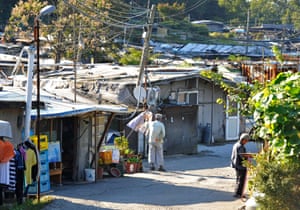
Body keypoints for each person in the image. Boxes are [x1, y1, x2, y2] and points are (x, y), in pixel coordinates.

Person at [230, 133, 250, 198]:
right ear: (243, 140)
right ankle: (238, 194)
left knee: (238, 179)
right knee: (241, 180)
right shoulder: (241, 147)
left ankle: (238, 193)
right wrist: (248, 158)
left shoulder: (236, 144)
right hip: (241, 165)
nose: (246, 142)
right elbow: (242, 156)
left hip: (236, 165)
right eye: (246, 141)